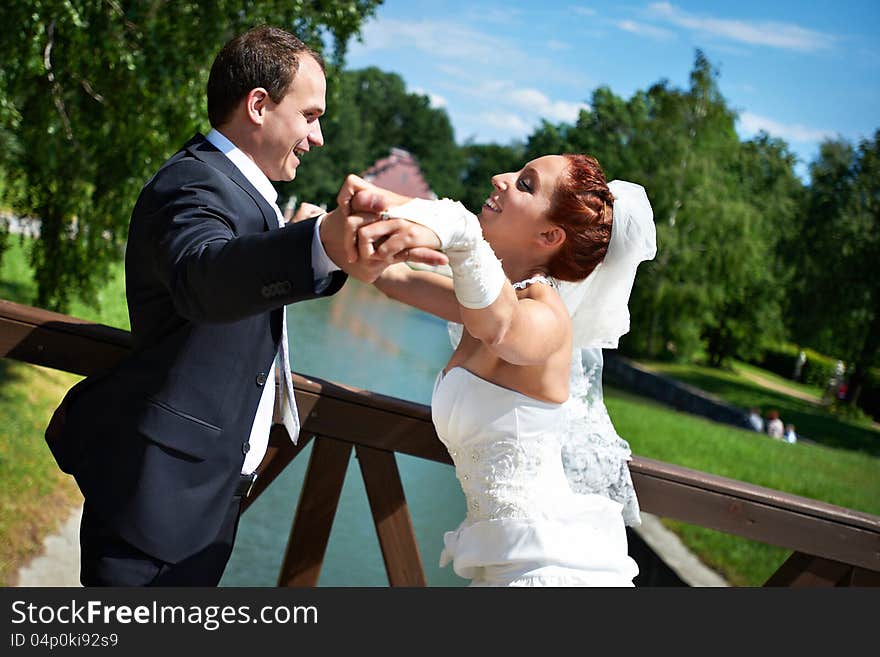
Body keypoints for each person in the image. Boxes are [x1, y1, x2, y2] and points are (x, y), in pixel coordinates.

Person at [44, 26, 442, 586]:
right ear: (258, 106)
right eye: (310, 115)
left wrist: (307, 244)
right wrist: (319, 242)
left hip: (202, 493)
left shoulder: (238, 190)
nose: (318, 136)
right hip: (160, 503)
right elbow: (204, 279)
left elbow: (246, 269)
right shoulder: (194, 184)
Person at [344, 152, 656, 586]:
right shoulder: (486, 302)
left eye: (526, 184)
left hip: (545, 571)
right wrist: (343, 222)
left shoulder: (546, 318)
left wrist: (459, 231)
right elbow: (393, 279)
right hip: (502, 566)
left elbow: (503, 327)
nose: (500, 178)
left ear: (549, 234)